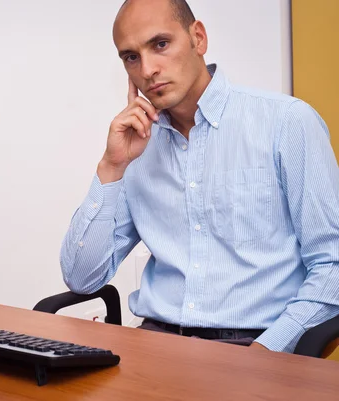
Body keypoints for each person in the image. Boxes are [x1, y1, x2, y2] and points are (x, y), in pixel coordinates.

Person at [60, 0, 339, 353]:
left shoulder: (286, 123)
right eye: (131, 57)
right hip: (154, 346)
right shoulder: (135, 146)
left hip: (255, 346)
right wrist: (112, 167)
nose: (147, 69)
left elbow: (333, 265)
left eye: (160, 44)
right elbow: (83, 278)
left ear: (198, 38)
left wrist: (268, 352)